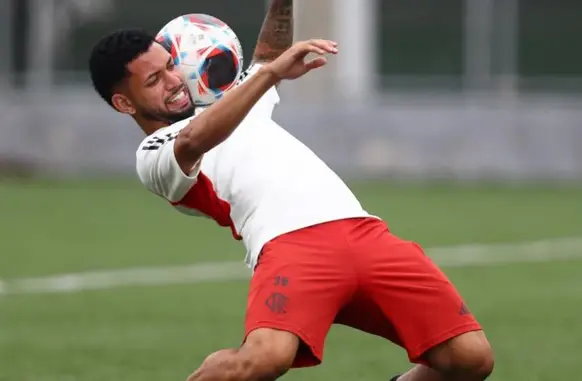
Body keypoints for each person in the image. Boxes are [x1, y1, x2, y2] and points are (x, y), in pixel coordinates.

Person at [88, 1, 494, 381]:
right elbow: (196, 139)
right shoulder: (153, 154)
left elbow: (267, 54)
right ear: (125, 103)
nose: (175, 81)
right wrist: (267, 75)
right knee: (264, 359)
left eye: (171, 66)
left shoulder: (230, 101)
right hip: (292, 247)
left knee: (470, 359)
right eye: (155, 80)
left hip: (366, 233)